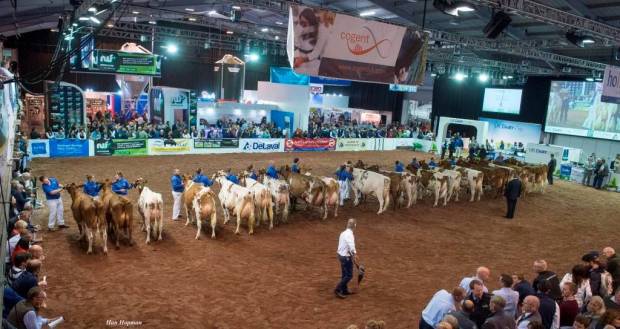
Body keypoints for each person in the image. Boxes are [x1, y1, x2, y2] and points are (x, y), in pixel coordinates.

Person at [335, 218, 360, 299]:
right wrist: (355, 254)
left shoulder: (343, 233)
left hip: (341, 256)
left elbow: (344, 245)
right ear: (355, 226)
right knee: (349, 275)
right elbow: (351, 245)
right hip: (346, 257)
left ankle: (344, 290)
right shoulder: (350, 235)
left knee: (344, 274)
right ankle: (337, 289)